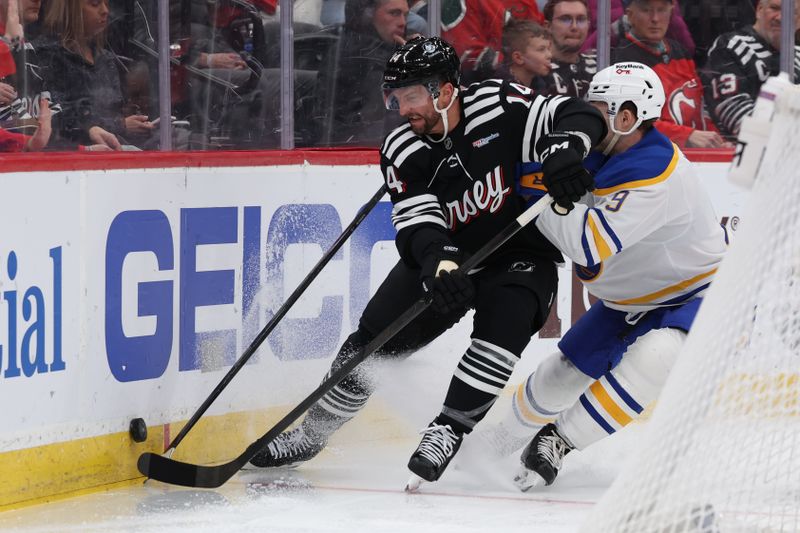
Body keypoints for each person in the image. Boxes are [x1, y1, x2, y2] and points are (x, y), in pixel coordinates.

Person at [248, 36, 607, 491]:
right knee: (374, 340)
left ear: (445, 91)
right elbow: (418, 222)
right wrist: (439, 261)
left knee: (506, 325)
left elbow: (578, 114)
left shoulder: (499, 103)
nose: (403, 109)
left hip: (520, 251)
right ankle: (311, 433)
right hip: (449, 256)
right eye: (396, 98)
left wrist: (565, 149)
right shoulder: (401, 147)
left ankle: (448, 429)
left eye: (412, 96)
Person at [470, 62, 727, 490]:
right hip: (629, 299)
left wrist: (536, 188)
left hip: (698, 294)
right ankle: (492, 445)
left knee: (657, 357)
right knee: (561, 374)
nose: (587, 116)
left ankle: (558, 441)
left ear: (627, 117)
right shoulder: (602, 148)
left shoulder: (655, 173)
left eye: (599, 108)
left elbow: (587, 243)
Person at [611, 0, 727, 149]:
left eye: (661, 10)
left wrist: (718, 141)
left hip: (693, 154)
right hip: (654, 155)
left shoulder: (680, 51)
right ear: (630, 16)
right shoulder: (622, 61)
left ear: (671, 13)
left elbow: (700, 111)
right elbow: (631, 122)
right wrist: (686, 135)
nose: (655, 19)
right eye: (646, 10)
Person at [701, 0, 800, 140]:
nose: (780, 17)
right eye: (774, 8)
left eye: (791, 12)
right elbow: (738, 116)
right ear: (759, 10)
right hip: (738, 150)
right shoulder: (729, 46)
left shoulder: (798, 55)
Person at [327, 0, 410, 145]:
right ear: (367, 15)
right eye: (394, 13)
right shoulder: (355, 56)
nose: (403, 22)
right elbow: (377, 123)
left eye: (405, 15)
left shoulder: (394, 51)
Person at [538, 0, 597, 98]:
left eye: (581, 20)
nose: (574, 27)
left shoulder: (600, 64)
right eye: (565, 19)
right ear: (548, 26)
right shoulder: (535, 71)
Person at [494, 18, 553, 87]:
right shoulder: (500, 90)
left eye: (548, 49)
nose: (550, 55)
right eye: (541, 49)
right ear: (518, 58)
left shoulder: (542, 84)